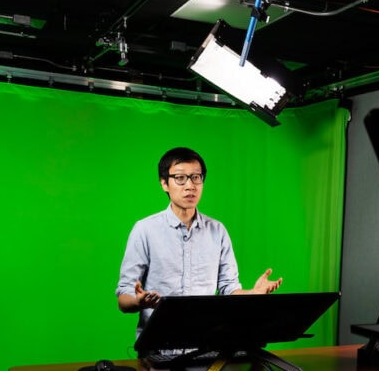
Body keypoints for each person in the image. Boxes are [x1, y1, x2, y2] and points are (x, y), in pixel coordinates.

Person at [115, 146, 282, 342]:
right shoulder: (144, 230)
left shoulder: (217, 231)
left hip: (204, 344)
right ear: (164, 184)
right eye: (180, 178)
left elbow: (229, 289)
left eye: (196, 177)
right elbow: (123, 297)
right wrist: (139, 301)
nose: (190, 186)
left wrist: (253, 293)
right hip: (157, 346)